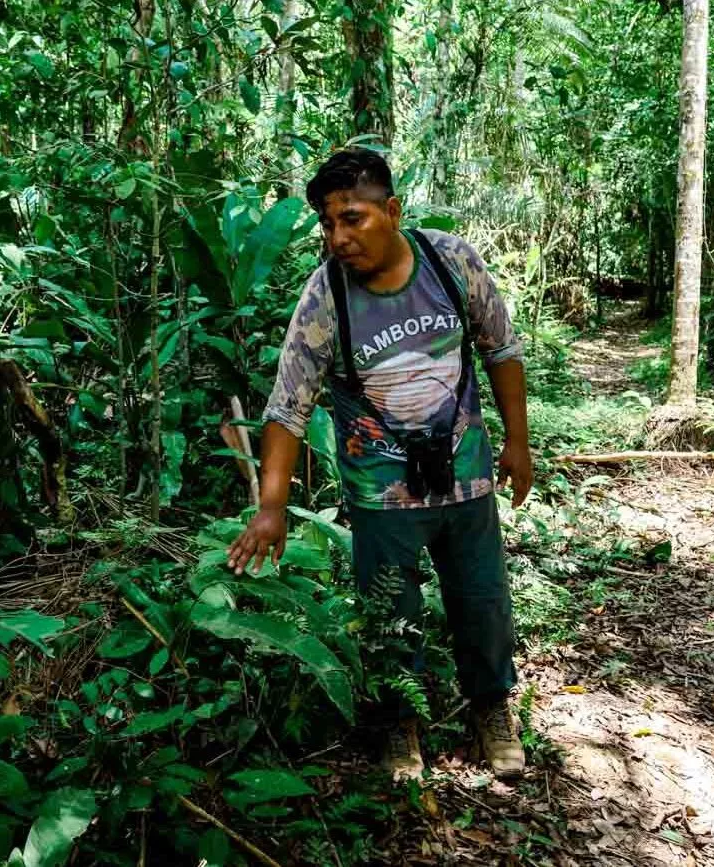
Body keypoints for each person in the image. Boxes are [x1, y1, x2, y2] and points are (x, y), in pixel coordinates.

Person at [227, 148, 532, 782]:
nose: (338, 238)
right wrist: (271, 507)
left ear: (391, 211)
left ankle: (491, 708)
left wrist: (517, 443)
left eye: (354, 219)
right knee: (390, 613)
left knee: (482, 601)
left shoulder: (451, 263)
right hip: (381, 492)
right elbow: (288, 407)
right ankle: (400, 723)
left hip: (467, 476)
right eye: (329, 224)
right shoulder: (325, 297)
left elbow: (500, 348)